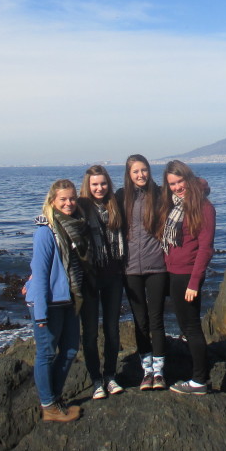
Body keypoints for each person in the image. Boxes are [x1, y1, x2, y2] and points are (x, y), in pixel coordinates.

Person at [26, 179, 88, 422]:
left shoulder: (74, 226)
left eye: (72, 198)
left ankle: (54, 396)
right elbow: (40, 273)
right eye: (63, 199)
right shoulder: (45, 231)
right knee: (46, 353)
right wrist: (40, 313)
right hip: (49, 303)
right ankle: (48, 405)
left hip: (69, 300)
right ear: (53, 201)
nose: (69, 203)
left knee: (71, 349)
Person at [159, 160, 216, 396]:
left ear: (188, 178)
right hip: (173, 272)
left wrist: (194, 282)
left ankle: (199, 380)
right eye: (172, 183)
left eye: (180, 181)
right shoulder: (174, 205)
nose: (177, 187)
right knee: (185, 325)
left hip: (187, 275)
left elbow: (205, 248)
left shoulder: (203, 206)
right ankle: (197, 373)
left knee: (191, 327)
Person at [117, 154, 170, 389]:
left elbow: (189, 189)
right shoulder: (121, 197)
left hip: (156, 265)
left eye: (144, 170)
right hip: (129, 269)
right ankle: (146, 370)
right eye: (136, 171)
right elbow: (92, 204)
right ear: (129, 175)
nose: (141, 175)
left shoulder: (159, 194)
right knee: (140, 321)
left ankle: (159, 372)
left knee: (156, 319)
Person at [78, 165, 127, 400]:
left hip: (113, 275)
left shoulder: (115, 204)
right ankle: (95, 379)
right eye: (95, 184)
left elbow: (151, 193)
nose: (99, 188)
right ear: (88, 185)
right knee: (89, 332)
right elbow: (56, 223)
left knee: (111, 329)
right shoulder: (80, 207)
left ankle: (110, 375)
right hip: (88, 277)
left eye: (103, 183)